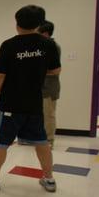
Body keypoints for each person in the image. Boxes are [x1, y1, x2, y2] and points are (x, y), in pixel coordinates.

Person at [0, 5, 61, 192]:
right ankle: (49, 179)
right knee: (42, 142)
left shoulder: (9, 45)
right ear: (39, 23)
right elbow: (55, 70)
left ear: (17, 24)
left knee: (2, 142)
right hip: (35, 103)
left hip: (11, 104)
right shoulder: (48, 44)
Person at [38, 20, 62, 148]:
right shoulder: (38, 47)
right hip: (37, 88)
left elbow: (54, 70)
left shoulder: (53, 47)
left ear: (46, 33)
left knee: (48, 115)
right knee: (37, 115)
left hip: (49, 88)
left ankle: (49, 141)